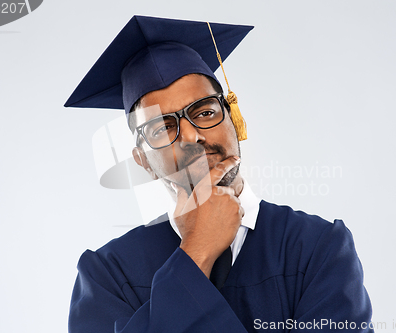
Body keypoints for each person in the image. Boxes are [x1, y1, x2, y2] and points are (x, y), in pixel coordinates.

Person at [65, 15, 374, 333]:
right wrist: (196, 251)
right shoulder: (109, 274)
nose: (191, 137)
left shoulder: (316, 248)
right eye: (162, 127)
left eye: (205, 112)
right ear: (143, 159)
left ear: (235, 120)